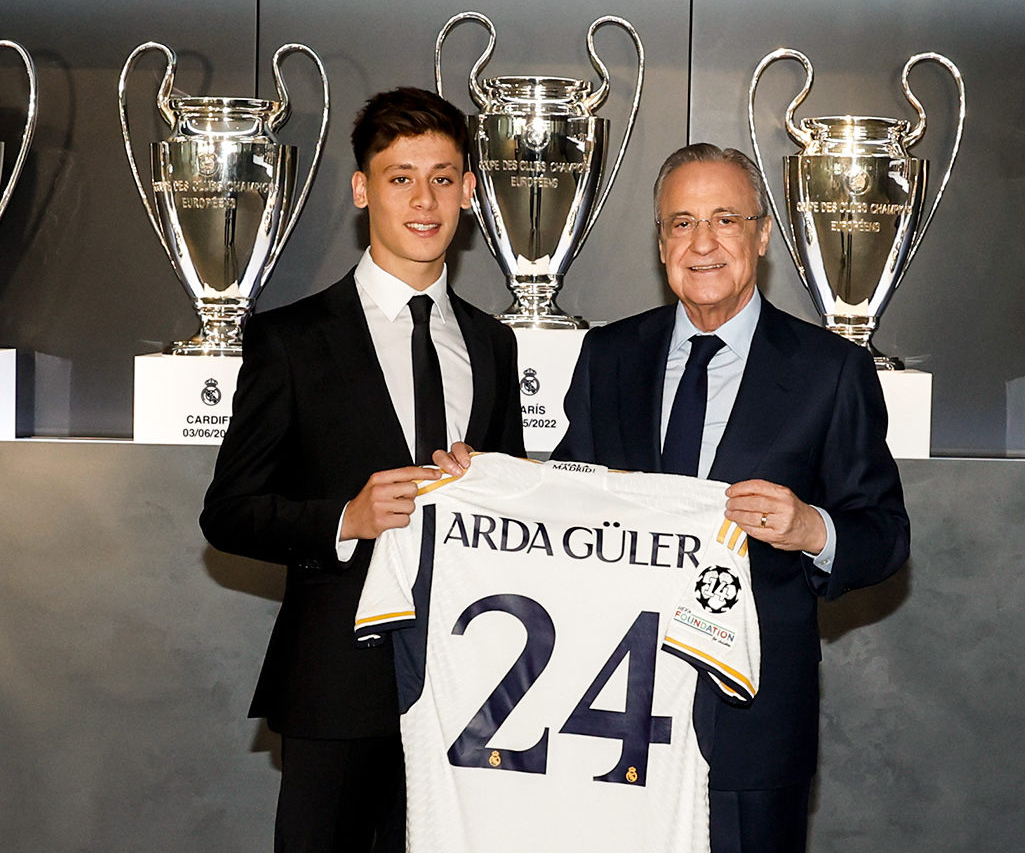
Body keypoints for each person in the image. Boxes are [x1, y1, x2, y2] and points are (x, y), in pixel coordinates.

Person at [547, 143, 910, 853]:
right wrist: (479, 483)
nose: (703, 243)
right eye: (681, 223)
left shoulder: (831, 370)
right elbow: (565, 500)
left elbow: (885, 534)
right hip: (613, 713)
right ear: (660, 243)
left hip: (752, 726)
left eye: (724, 219)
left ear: (762, 235)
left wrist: (812, 529)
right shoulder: (608, 356)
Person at [200, 87, 525, 853]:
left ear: (469, 192)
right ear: (361, 189)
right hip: (335, 686)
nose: (423, 199)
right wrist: (347, 518)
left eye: (442, 178)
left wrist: (495, 485)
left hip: (464, 690)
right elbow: (229, 510)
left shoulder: (494, 344)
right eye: (399, 177)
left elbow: (514, 521)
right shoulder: (291, 339)